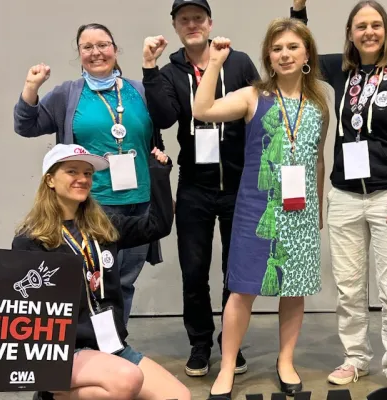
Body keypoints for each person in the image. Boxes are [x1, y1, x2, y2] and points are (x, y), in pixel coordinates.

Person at [0, 144, 190, 400]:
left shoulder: (104, 226)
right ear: (50, 180)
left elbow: (158, 225)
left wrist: (159, 174)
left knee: (180, 396)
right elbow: (18, 296)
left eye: (88, 173)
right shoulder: (31, 239)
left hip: (110, 346)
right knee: (126, 380)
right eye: (72, 171)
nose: (83, 179)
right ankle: (51, 393)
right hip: (64, 352)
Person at [290, 0, 387, 386]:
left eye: (375, 25)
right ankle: (355, 358)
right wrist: (298, 11)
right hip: (345, 195)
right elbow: (302, 48)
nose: (369, 32)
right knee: (349, 288)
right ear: (350, 33)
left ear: (385, 29)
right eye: (360, 26)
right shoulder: (341, 69)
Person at [192, 17, 330, 398]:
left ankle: (285, 361)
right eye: (277, 48)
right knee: (241, 291)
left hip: (301, 210)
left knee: (295, 290)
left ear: (307, 54)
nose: (284, 54)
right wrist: (215, 63)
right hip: (257, 208)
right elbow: (202, 110)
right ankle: (227, 367)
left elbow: (318, 159)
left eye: (292, 47)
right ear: (268, 56)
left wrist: (317, 209)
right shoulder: (253, 95)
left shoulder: (318, 102)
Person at [13, 23, 168, 327]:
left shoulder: (138, 91)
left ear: (115, 49)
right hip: (95, 204)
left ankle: (115, 344)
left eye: (103, 45)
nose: (96, 52)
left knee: (124, 282)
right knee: (94, 280)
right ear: (80, 53)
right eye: (87, 47)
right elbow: (26, 126)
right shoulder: (67, 94)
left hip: (140, 201)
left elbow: (154, 133)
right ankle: (85, 347)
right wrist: (31, 87)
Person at [141, 0, 259, 377]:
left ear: (210, 23)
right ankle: (200, 342)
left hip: (239, 185)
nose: (192, 24)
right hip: (194, 186)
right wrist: (149, 69)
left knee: (234, 271)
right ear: (175, 26)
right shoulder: (172, 70)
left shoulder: (237, 62)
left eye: (197, 18)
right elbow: (164, 116)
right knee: (194, 270)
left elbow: (258, 112)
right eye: (183, 19)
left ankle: (230, 342)